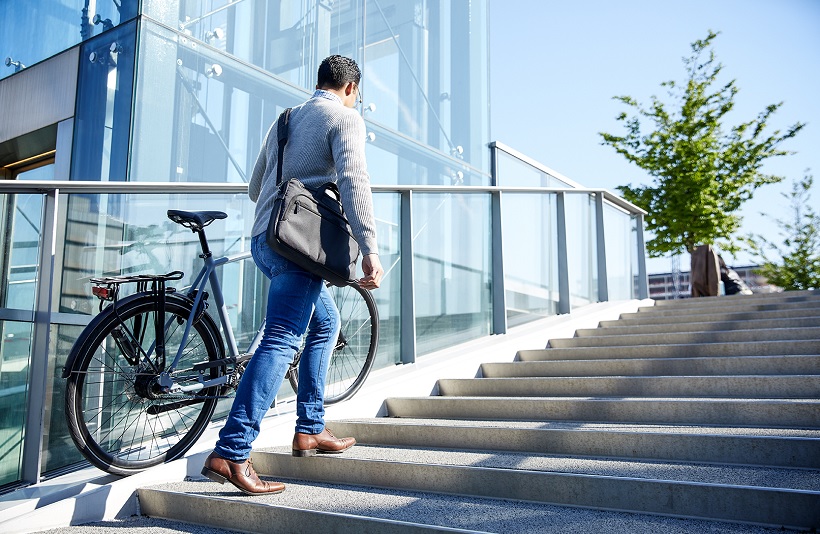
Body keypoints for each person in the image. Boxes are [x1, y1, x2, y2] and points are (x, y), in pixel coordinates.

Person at [201, 55, 384, 495]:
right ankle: (232, 451)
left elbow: (253, 187)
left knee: (326, 323)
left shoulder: (285, 118)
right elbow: (355, 181)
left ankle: (310, 429)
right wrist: (370, 248)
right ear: (351, 88)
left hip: (266, 240)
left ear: (318, 82)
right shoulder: (345, 118)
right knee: (282, 339)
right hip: (300, 249)